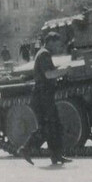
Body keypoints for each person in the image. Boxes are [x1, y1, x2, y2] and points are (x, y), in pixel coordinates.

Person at [18, 31, 72, 166]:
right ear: (50, 42)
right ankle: (26, 149)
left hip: (43, 95)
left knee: (53, 125)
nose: (58, 47)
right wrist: (65, 70)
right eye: (57, 44)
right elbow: (48, 74)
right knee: (48, 126)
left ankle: (56, 156)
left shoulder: (43, 54)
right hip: (42, 96)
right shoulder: (44, 54)